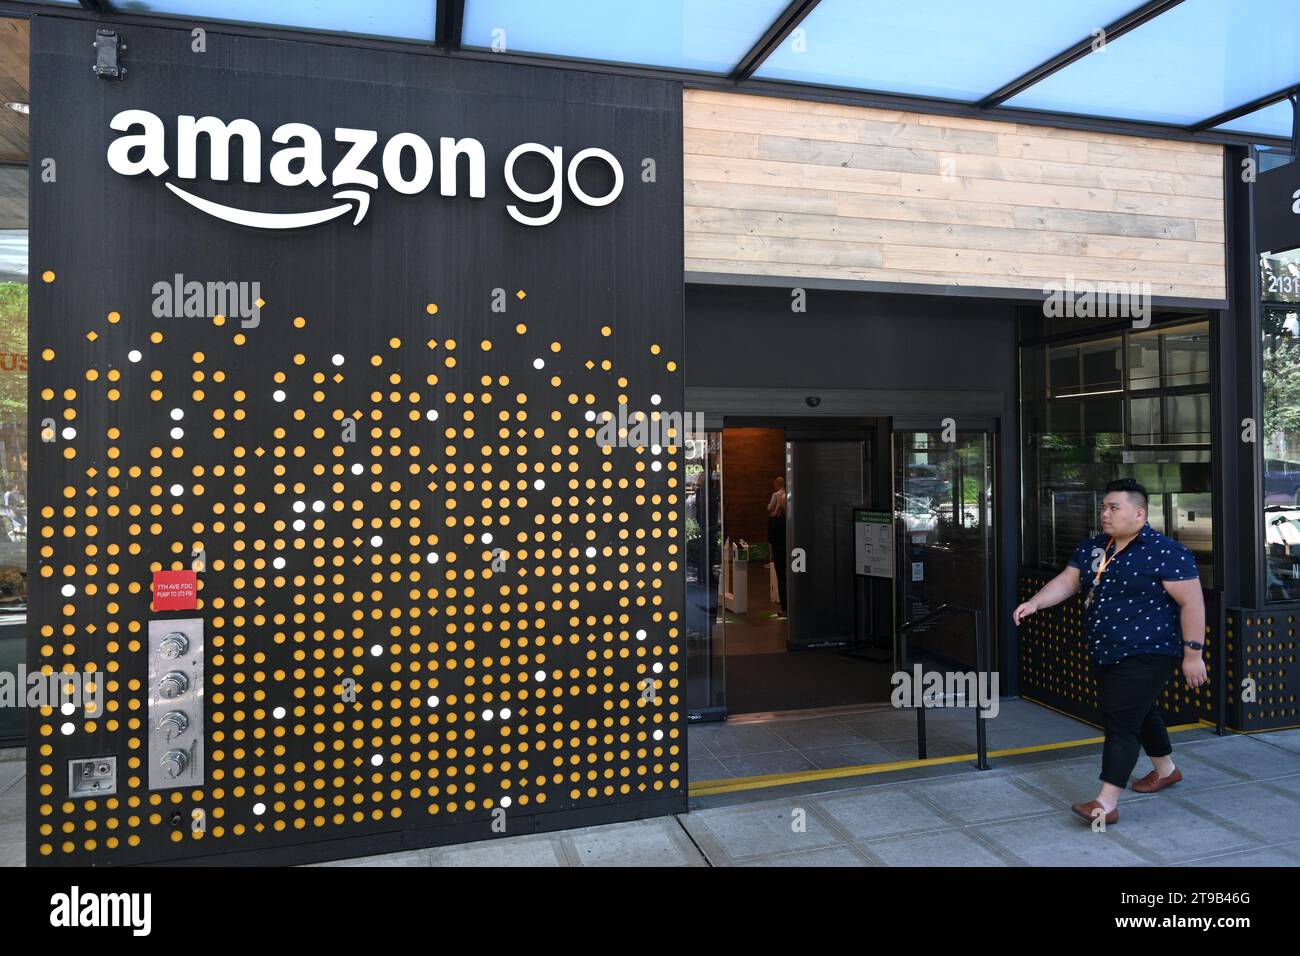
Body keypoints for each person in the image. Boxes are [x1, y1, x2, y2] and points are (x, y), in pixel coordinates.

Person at [1013, 478, 1207, 826]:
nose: (1105, 513)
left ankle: (1106, 802)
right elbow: (1068, 581)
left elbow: (1192, 602)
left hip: (1150, 650)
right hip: (1106, 649)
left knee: (1120, 722)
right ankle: (1166, 770)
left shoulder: (1166, 552)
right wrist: (1035, 602)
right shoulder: (1094, 548)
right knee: (1140, 711)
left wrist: (1193, 654)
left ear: (1139, 513)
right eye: (1103, 507)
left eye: (1113, 508)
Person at [766, 476, 787, 619]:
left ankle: (784, 607)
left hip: (779, 552)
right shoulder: (791, 521)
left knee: (782, 579)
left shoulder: (773, 520)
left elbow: (771, 540)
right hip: (792, 552)